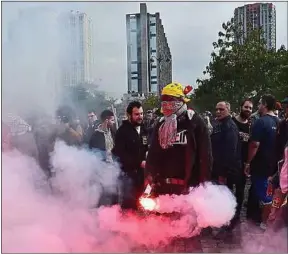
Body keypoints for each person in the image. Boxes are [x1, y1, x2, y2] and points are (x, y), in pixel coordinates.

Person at [145, 82, 212, 252]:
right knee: (164, 232)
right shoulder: (160, 124)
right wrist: (149, 179)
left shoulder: (195, 122)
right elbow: (153, 154)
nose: (166, 105)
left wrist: (202, 185)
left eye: (170, 101)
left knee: (190, 233)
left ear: (181, 101)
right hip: (164, 188)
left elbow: (205, 156)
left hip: (187, 187)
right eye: (164, 101)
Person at [244, 94, 279, 229]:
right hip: (274, 166)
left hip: (261, 165)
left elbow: (254, 145)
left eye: (259, 103)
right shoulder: (278, 121)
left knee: (265, 196)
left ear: (264, 104)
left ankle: (266, 224)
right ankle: (259, 218)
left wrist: (248, 162)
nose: (258, 106)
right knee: (269, 193)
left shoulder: (261, 121)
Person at [112, 101, 149, 210]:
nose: (140, 117)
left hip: (142, 175)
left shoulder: (144, 129)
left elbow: (145, 147)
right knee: (129, 205)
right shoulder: (122, 132)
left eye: (141, 114)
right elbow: (120, 154)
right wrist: (138, 162)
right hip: (127, 176)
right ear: (129, 115)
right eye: (136, 114)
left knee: (143, 204)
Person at [232, 99, 253, 223]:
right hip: (231, 163)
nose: (248, 110)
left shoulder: (250, 126)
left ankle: (237, 216)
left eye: (250, 108)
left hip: (243, 164)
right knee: (228, 190)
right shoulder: (232, 122)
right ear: (241, 107)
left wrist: (248, 163)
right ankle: (225, 215)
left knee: (240, 191)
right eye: (246, 107)